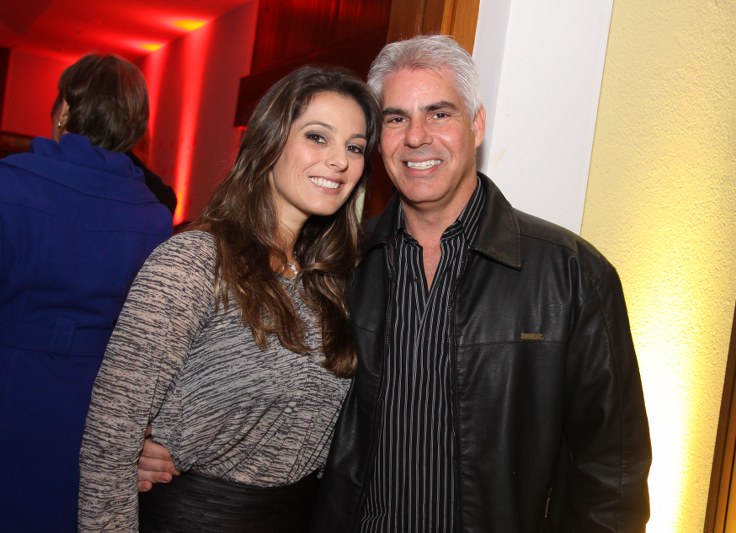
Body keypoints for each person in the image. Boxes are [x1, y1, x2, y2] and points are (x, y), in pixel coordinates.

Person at [138, 35, 653, 532]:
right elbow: (268, 389)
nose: (417, 137)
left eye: (439, 113)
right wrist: (164, 440)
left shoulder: (570, 274)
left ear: (476, 125)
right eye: (395, 118)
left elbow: (613, 472)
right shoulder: (333, 268)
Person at [78, 65, 382, 532]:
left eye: (355, 147)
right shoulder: (194, 262)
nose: (339, 160)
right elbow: (109, 442)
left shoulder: (331, 283)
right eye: (317, 137)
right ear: (269, 140)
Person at [0, 54, 173, 531]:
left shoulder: (10, 184)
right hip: (98, 406)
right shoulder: (154, 215)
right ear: (135, 126)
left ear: (63, 110)